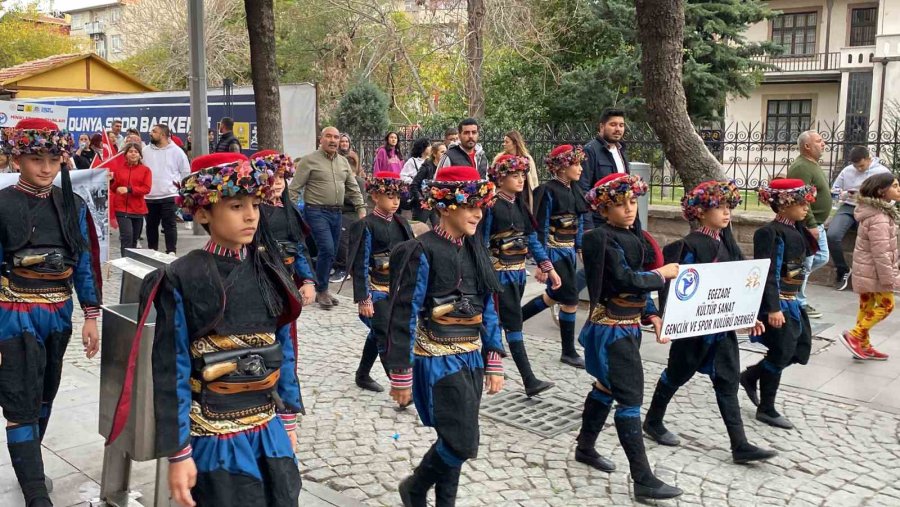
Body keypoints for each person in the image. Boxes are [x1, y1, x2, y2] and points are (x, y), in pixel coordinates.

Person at [106, 152, 304, 507]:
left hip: (268, 430)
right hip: (215, 437)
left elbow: (284, 348)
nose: (250, 216)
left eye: (255, 205)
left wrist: (288, 416)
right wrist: (179, 453)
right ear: (202, 212)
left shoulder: (270, 270)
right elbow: (172, 368)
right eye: (235, 206)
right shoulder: (181, 277)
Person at [384, 165, 503, 507]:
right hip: (437, 359)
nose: (478, 214)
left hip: (472, 358)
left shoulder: (475, 248)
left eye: (481, 207)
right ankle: (416, 487)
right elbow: (403, 313)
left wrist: (493, 358)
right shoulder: (420, 251)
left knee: (452, 439)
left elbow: (488, 306)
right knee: (462, 441)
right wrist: (401, 373)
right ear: (446, 205)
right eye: (470, 206)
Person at [0, 118, 102, 507]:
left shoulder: (72, 204)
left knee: (45, 395)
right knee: (21, 403)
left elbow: (84, 262)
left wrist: (91, 315)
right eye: (35, 158)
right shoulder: (3, 204)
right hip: (14, 313)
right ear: (17, 159)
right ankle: (36, 495)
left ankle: (31, 465)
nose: (45, 167)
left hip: (58, 314)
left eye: (53, 158)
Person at [642, 180, 777, 465]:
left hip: (721, 330)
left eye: (729, 207)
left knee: (728, 381)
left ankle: (740, 445)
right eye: (720, 207)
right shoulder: (688, 246)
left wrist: (747, 315)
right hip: (694, 331)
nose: (727, 213)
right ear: (700, 212)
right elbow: (676, 289)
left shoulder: (726, 244)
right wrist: (671, 321)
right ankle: (653, 421)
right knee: (676, 375)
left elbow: (737, 287)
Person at [574, 173, 681, 500]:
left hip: (629, 326)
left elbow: (639, 289)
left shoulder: (636, 237)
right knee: (630, 397)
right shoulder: (598, 238)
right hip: (609, 329)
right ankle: (643, 478)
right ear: (604, 209)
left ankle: (585, 447)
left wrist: (652, 315)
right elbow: (623, 279)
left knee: (607, 387)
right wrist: (659, 275)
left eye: (632, 202)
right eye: (620, 205)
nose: (629, 209)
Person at [480, 155, 561, 396]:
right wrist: (486, 274)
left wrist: (548, 266)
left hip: (517, 275)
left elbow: (531, 238)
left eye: (522, 175)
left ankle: (488, 364)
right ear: (500, 178)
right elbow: (482, 242)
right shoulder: (491, 206)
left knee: (502, 322)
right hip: (499, 275)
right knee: (509, 324)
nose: (520, 179)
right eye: (514, 175)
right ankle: (529, 379)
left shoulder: (521, 205)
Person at [740, 179, 816, 430]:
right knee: (782, 350)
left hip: (793, 300)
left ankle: (751, 376)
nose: (807, 207)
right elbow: (768, 271)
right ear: (783, 206)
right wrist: (773, 307)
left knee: (800, 348)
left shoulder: (797, 230)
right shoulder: (770, 233)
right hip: (778, 302)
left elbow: (796, 268)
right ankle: (767, 408)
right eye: (801, 203)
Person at [520, 145, 588, 368]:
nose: (579, 169)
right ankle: (568, 351)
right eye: (575, 164)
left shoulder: (576, 190)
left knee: (553, 296)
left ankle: (513, 322)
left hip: (568, 251)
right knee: (570, 299)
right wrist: (543, 262)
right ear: (561, 167)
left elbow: (578, 222)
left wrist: (579, 248)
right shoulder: (547, 191)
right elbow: (540, 226)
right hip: (553, 250)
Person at [346, 171, 413, 393]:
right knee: (386, 333)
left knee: (379, 332)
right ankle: (399, 384)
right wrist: (364, 298)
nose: (395, 202)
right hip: (375, 290)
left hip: (397, 290)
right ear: (375, 196)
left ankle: (362, 374)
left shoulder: (402, 223)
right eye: (390, 196)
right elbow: (360, 263)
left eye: (398, 197)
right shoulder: (365, 225)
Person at [288, 126, 366, 308]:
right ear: (320, 139)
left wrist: (361, 208)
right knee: (328, 249)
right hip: (315, 211)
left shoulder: (343, 162)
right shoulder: (309, 161)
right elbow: (294, 189)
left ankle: (319, 285)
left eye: (336, 137)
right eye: (328, 136)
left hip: (336, 213)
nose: (333, 140)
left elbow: (353, 187)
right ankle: (321, 289)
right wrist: (291, 213)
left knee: (330, 251)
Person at [838, 173, 900, 361]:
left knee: (867, 305)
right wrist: (890, 279)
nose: (899, 189)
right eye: (895, 186)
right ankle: (855, 335)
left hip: (866, 270)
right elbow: (881, 253)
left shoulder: (875, 212)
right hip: (874, 272)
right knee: (887, 305)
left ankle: (863, 345)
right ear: (882, 191)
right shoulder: (880, 217)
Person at [250, 150, 316, 304]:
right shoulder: (253, 212)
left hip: (287, 276)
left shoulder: (290, 210)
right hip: (259, 277)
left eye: (282, 177)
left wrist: (308, 280)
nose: (279, 182)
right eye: (273, 178)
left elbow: (299, 246)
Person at [828, 146, 891, 290]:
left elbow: (891, 195)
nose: (859, 169)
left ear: (869, 159)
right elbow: (835, 190)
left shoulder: (882, 172)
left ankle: (872, 277)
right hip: (849, 207)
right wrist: (844, 194)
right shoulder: (847, 171)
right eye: (856, 166)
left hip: (870, 209)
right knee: (832, 235)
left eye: (862, 165)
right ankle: (842, 269)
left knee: (871, 240)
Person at [786, 131, 832, 318]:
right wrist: (810, 223)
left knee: (820, 257)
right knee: (805, 261)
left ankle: (787, 279)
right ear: (807, 146)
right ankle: (799, 301)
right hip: (808, 224)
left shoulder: (813, 165)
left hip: (818, 224)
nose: (823, 144)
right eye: (819, 141)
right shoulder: (801, 167)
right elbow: (801, 198)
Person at [143, 123, 191, 254]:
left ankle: (171, 252)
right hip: (149, 196)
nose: (150, 133)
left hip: (169, 195)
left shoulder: (177, 152)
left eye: (154, 131)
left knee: (169, 225)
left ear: (163, 135)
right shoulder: (145, 151)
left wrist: (182, 193)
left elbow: (185, 172)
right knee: (151, 227)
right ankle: (152, 252)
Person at [579, 109, 630, 228]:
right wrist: (588, 226)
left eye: (621, 125)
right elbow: (583, 190)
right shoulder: (590, 150)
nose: (618, 129)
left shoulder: (621, 150)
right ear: (602, 126)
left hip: (620, 218)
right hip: (599, 222)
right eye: (613, 125)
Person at [109, 142, 152, 257]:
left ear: (140, 155)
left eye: (136, 152)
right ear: (126, 154)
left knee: (134, 240)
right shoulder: (119, 169)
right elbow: (114, 188)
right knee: (126, 238)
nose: (133, 154)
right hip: (121, 209)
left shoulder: (146, 170)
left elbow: (146, 189)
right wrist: (111, 181)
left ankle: (131, 267)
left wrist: (129, 189)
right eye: (130, 151)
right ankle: (125, 269)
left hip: (138, 209)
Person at [493, 131, 539, 213]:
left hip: (523, 195)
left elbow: (534, 180)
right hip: (504, 195)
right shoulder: (500, 158)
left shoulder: (527, 158)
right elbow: (493, 177)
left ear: (515, 143)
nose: (504, 144)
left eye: (506, 142)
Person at [410, 142, 445, 226]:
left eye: (446, 152)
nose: (445, 155)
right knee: (418, 229)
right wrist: (421, 200)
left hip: (437, 204)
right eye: (442, 152)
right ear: (434, 153)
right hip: (424, 205)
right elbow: (414, 185)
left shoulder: (444, 167)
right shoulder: (426, 167)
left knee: (439, 230)